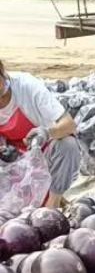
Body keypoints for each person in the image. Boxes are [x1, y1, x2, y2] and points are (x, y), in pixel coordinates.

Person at [0, 61, 79, 209]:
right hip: (13, 164)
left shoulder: (26, 86)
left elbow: (69, 125)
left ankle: (53, 204)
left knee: (68, 144)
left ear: (3, 71)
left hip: (43, 155)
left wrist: (47, 133)